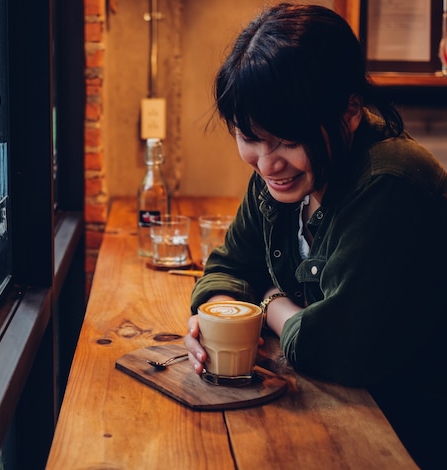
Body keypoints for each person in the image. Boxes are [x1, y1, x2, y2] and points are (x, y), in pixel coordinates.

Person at [183, 3, 447, 468]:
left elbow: (333, 347)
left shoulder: (390, 184)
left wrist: (267, 302)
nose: (266, 163)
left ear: (348, 112)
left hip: (403, 439)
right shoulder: (283, 180)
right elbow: (227, 266)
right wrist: (209, 323)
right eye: (250, 137)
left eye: (286, 140)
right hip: (327, 419)